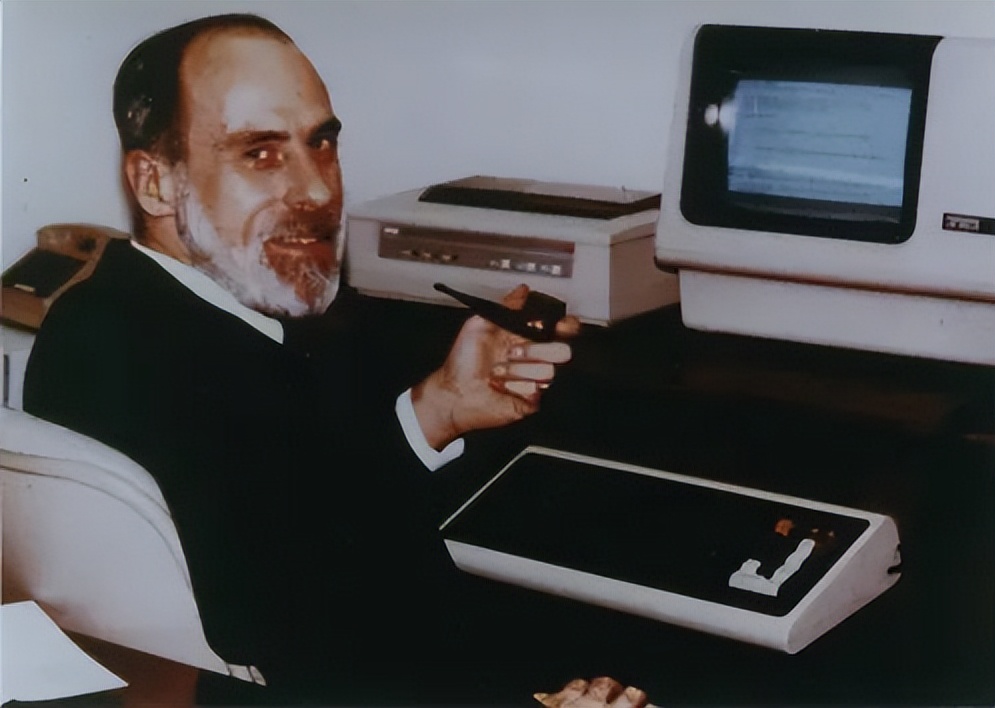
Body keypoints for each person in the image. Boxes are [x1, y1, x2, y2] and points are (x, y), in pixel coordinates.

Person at [23, 13, 650, 707]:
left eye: (320, 143)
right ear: (155, 183)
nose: (319, 190)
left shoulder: (204, 318)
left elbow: (306, 526)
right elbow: (289, 642)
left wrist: (439, 407)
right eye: (260, 153)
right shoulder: (117, 354)